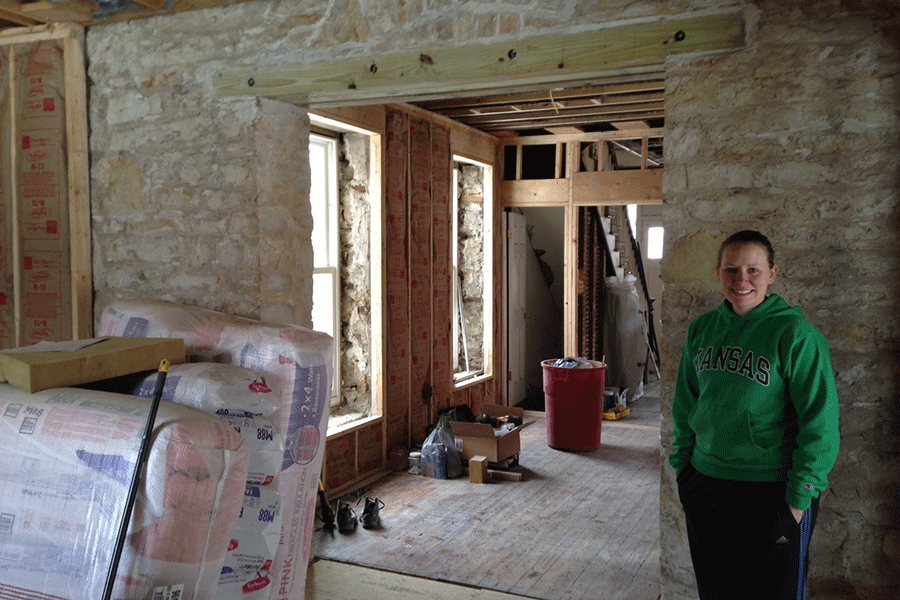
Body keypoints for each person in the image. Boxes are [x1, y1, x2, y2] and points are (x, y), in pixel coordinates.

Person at [670, 230, 839, 599]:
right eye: (731, 270)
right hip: (707, 483)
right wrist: (683, 468)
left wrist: (799, 498)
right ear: (718, 273)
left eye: (753, 270)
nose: (741, 280)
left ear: (772, 274)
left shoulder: (796, 335)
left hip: (772, 491)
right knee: (717, 591)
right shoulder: (702, 329)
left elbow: (820, 424)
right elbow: (685, 403)